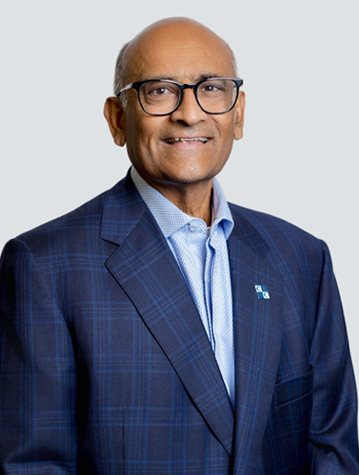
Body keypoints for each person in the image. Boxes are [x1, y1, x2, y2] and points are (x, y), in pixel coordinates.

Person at [0, 16, 358, 475]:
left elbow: (332, 447)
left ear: (239, 113)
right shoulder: (45, 267)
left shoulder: (302, 258)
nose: (190, 113)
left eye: (212, 89)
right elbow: (34, 465)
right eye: (159, 90)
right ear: (117, 118)